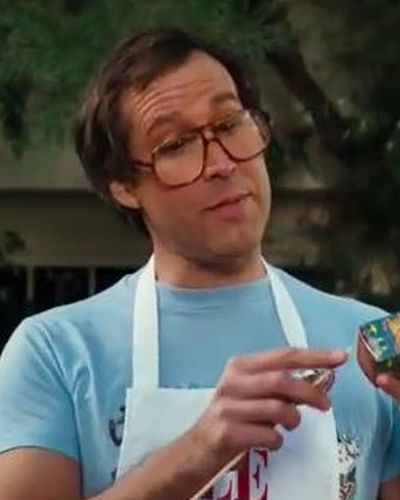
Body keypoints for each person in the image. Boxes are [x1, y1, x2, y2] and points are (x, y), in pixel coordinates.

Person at [0, 29, 399, 500]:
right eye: (175, 144)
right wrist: (199, 450)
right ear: (122, 186)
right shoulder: (56, 353)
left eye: (230, 123)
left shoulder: (368, 344)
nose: (221, 163)